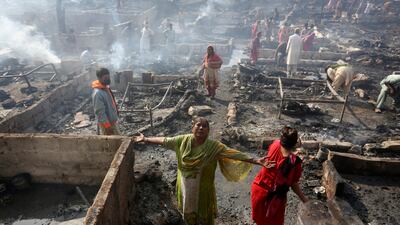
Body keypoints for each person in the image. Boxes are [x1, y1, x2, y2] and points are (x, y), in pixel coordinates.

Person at [132, 117, 275, 225]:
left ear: (208, 130)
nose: (201, 128)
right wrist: (146, 139)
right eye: (198, 125)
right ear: (192, 127)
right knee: (187, 211)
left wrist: (255, 160)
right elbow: (164, 140)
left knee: (203, 214)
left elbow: (233, 153)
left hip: (203, 187)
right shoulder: (182, 141)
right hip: (185, 185)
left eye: (204, 126)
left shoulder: (214, 147)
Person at [251, 125, 308, 225]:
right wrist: (304, 199)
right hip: (274, 199)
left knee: (260, 221)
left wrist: (293, 152)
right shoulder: (295, 163)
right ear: (295, 144)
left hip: (258, 190)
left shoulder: (275, 144)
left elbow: (283, 153)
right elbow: (294, 184)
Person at [92, 68, 120, 135]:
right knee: (112, 143)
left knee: (117, 140)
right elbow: (100, 112)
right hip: (107, 125)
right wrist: (107, 126)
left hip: (112, 122)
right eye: (105, 77)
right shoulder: (98, 93)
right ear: (99, 78)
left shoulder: (105, 88)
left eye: (108, 76)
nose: (108, 79)